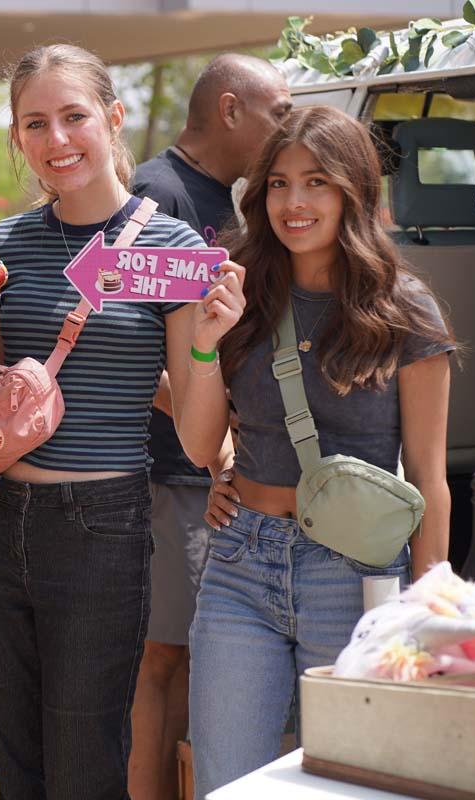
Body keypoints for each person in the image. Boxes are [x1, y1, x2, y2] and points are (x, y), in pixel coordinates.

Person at [0, 43, 217, 800]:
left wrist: (211, 344)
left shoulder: (176, 249)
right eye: (36, 123)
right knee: (11, 758)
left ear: (113, 119)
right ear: (17, 139)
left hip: (103, 528)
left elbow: (196, 437)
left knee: (87, 760)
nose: (57, 141)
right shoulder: (2, 247)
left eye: (74, 117)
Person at [173, 105, 455, 798]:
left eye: (317, 182)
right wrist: (206, 339)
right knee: (226, 782)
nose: (293, 203)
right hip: (240, 562)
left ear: (353, 191)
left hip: (358, 575)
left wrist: (426, 611)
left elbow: (428, 476)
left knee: (355, 781)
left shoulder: (405, 310)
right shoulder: (240, 290)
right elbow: (200, 444)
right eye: (277, 183)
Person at [127, 53, 291, 800]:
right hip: (170, 475)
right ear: (230, 109)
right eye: (278, 113)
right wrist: (217, 440)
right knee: (160, 660)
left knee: (187, 659)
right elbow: (123, 353)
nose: (286, 131)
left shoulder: (217, 197)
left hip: (200, 473)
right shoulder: (156, 197)